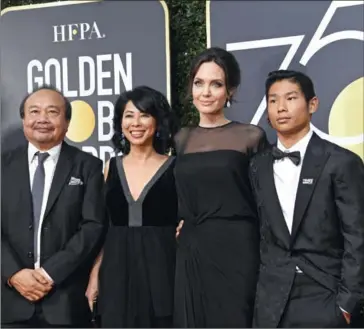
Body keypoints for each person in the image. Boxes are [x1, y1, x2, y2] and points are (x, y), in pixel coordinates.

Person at [249, 70, 364, 327]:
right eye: (273, 100)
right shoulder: (258, 166)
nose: (281, 108)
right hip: (271, 301)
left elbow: (357, 236)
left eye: (290, 98)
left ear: (312, 104)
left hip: (325, 293)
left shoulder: (341, 162)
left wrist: (347, 303)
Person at [173, 47, 268, 328]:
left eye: (216, 84)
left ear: (230, 91)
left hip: (238, 247)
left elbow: (267, 200)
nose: (206, 92)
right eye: (199, 83)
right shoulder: (180, 139)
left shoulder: (250, 136)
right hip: (192, 247)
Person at [1, 86, 106, 327]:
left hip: (65, 302)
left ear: (67, 122)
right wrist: (14, 275)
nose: (42, 119)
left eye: (52, 112)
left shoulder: (87, 166)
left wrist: (49, 274)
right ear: (24, 119)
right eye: (34, 111)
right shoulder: (3, 166)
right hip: (9, 304)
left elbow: (93, 226)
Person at [85, 86, 178, 328]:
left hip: (164, 271)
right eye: (129, 115)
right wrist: (95, 275)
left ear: (157, 121)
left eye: (144, 115)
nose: (136, 123)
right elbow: (103, 228)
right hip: (116, 272)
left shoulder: (177, 168)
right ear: (120, 123)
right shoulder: (109, 168)